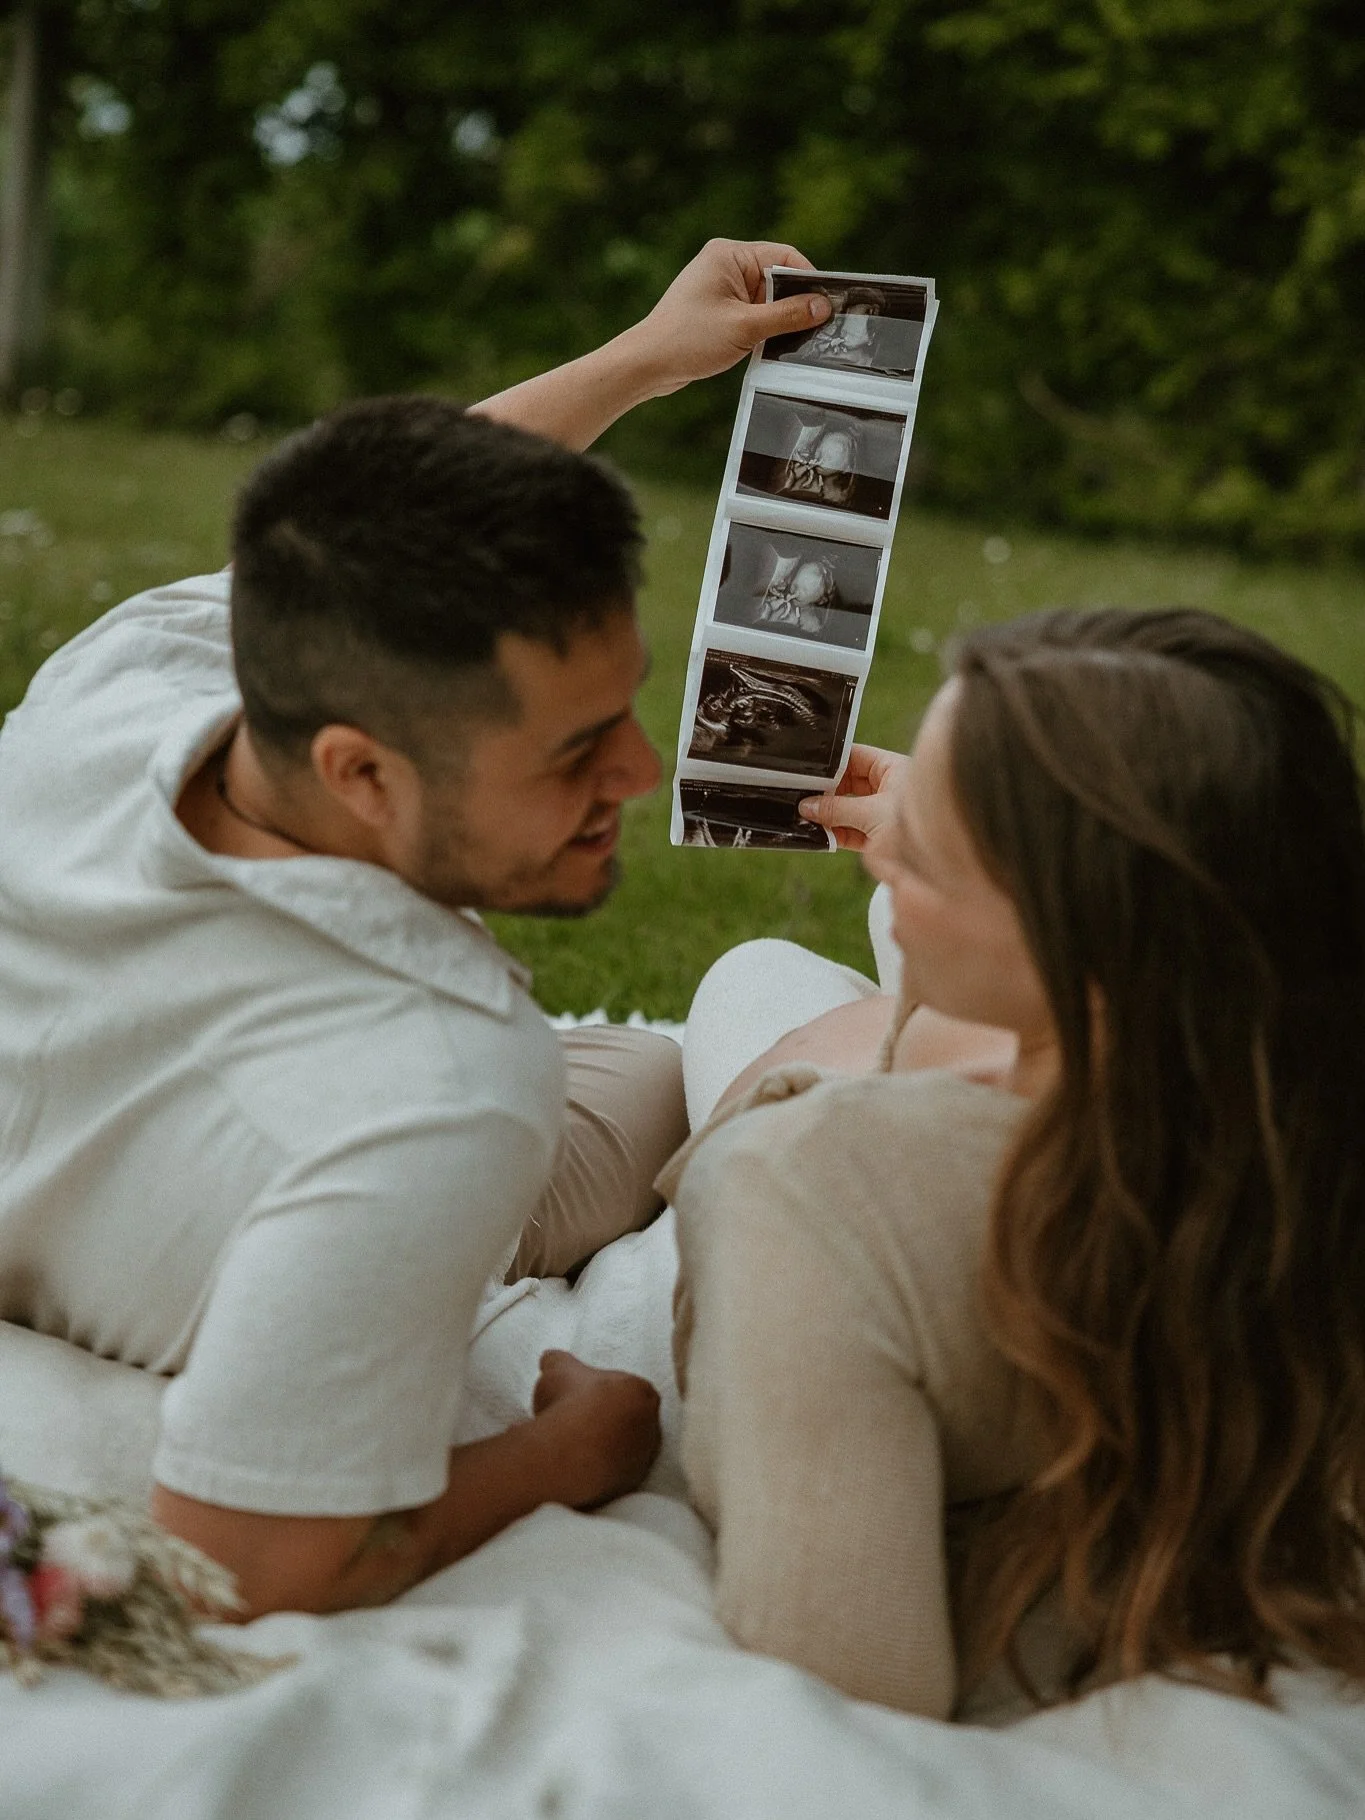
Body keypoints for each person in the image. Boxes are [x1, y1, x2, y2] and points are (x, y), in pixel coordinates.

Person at [0, 238, 835, 1620]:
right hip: (272, 1171)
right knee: (659, 1075)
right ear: (359, 772)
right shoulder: (440, 1089)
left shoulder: (131, 671)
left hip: (79, 1111)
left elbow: (347, 543)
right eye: (574, 753)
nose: (639, 771)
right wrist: (579, 1447)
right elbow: (254, 1554)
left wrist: (642, 357)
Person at [662, 606, 1365, 1718]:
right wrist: (949, 815)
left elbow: (841, 1699)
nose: (879, 848)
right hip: (1030, 1055)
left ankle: (844, 1034)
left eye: (928, 850)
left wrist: (570, 1451)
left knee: (755, 979)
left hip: (843, 1115)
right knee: (843, 989)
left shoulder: (810, 1190)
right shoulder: (1276, 1076)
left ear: (1083, 942)